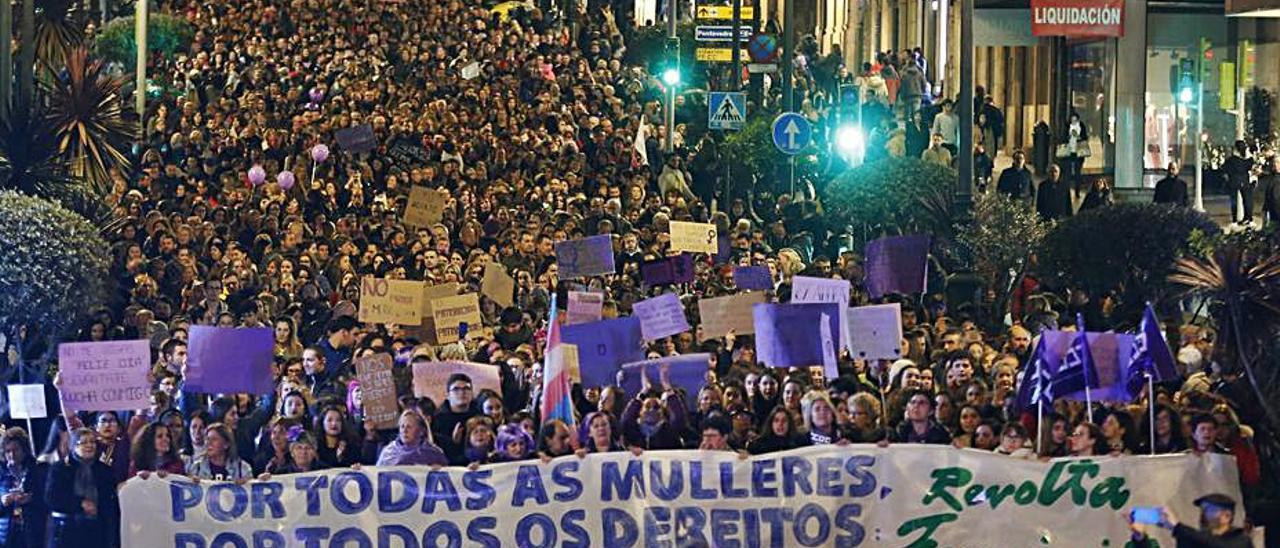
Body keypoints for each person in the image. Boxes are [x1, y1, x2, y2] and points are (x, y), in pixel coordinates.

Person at [45, 428, 119, 548]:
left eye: (92, 442)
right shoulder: (60, 469)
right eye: (83, 442)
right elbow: (51, 498)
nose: (89, 445)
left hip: (96, 532)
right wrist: (80, 503)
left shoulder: (104, 470)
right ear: (73, 446)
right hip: (67, 531)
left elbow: (109, 502)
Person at [1126, 494, 1252, 548]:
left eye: (1207, 509)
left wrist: (1177, 527)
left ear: (1226, 516)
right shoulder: (1197, 540)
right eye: (1202, 509)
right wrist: (1141, 539)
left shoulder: (1240, 540)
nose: (1202, 514)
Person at [0, 427, 47, 548]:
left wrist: (31, 499)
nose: (12, 455)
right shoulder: (2, 473)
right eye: (8, 451)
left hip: (33, 532)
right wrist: (2, 502)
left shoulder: (38, 470)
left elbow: (49, 499)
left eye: (16, 450)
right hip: (7, 534)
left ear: (24, 450)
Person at [377, 411, 448, 467]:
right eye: (402, 426)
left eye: (409, 427)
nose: (405, 431)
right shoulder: (388, 452)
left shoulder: (434, 453)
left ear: (421, 431)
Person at [185, 423, 253, 481]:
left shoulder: (242, 468)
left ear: (226, 444)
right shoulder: (196, 468)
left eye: (214, 439)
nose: (208, 443)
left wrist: (246, 484)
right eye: (207, 439)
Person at [1221, 140, 1255, 225]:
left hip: (1233, 181)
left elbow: (1224, 169)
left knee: (1233, 201)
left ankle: (1234, 220)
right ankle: (1249, 219)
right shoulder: (1247, 160)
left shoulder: (1231, 160)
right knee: (1247, 200)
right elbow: (1251, 166)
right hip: (1245, 181)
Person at [1058, 111, 1090, 186]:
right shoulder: (1067, 126)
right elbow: (1062, 137)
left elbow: (1084, 137)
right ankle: (1067, 187)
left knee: (1077, 171)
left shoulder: (1081, 126)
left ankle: (1077, 189)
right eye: (1072, 120)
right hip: (1069, 151)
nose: (1073, 122)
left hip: (1078, 151)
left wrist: (1078, 137)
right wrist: (1068, 137)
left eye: (1075, 120)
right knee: (1067, 171)